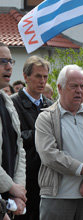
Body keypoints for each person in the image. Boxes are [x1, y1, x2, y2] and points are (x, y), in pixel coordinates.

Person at [35, 65, 83, 220]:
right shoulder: (46, 118)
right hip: (57, 197)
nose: (79, 90)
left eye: (82, 86)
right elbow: (48, 154)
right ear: (60, 87)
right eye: (74, 86)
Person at [11, 56, 53, 220]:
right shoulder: (12, 104)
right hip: (25, 176)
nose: (42, 81)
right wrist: (41, 134)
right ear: (26, 76)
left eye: (45, 77)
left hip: (48, 177)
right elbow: (14, 137)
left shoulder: (50, 105)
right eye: (38, 76)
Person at [0, 46, 26, 219]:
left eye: (10, 61)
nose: (9, 67)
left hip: (8, 200)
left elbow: (19, 148)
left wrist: (18, 190)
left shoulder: (7, 102)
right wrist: (10, 186)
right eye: (3, 61)